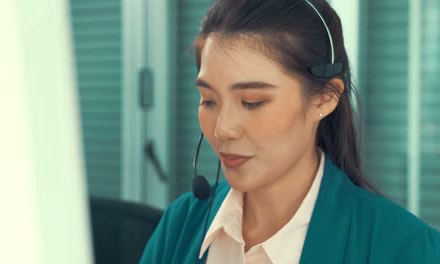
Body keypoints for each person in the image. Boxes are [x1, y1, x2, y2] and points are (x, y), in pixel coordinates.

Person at [140, 0, 440, 263]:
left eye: (252, 102)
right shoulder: (183, 220)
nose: (222, 129)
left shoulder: (403, 248)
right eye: (209, 100)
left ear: (325, 97)